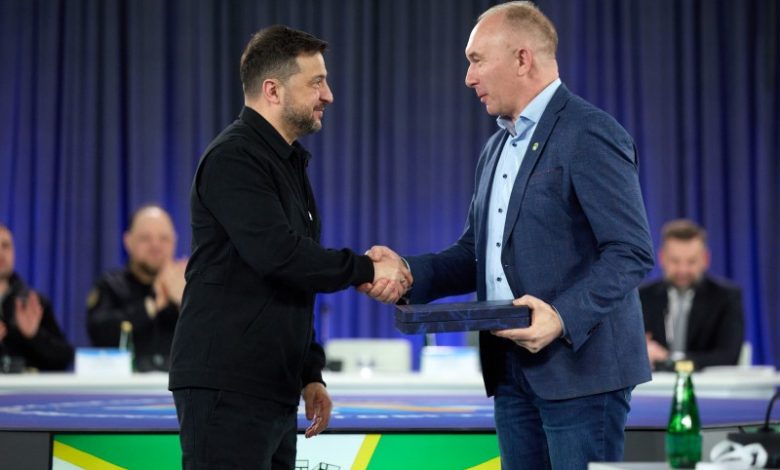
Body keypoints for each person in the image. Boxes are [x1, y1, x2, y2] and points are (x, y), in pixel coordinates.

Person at [361, 2, 654, 469]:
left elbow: (630, 251)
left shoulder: (589, 132)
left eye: (476, 60)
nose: (468, 78)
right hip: (510, 372)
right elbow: (476, 254)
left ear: (522, 59)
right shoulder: (496, 146)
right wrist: (409, 272)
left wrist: (561, 317)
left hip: (581, 374)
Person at [167, 25, 411, 470]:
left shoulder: (287, 161)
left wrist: (309, 373)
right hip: (228, 387)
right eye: (316, 82)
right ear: (272, 90)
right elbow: (279, 256)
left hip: (270, 387)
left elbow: (293, 280)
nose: (329, 95)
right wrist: (366, 269)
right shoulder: (233, 158)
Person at [86, 205, 186, 372]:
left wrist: (185, 303)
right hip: (125, 384)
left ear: (175, 241)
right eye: (145, 238)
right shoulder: (110, 285)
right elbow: (99, 333)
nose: (156, 245)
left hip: (180, 382)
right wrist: (152, 305)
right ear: (128, 241)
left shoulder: (191, 287)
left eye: (164, 238)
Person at [640, 219, 744, 370]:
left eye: (691, 262)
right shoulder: (642, 297)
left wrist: (670, 360)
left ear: (705, 259)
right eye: (675, 261)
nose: (683, 270)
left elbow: (729, 356)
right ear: (662, 258)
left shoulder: (726, 297)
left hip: (708, 384)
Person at [0, 224, 74, 372]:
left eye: (5, 246)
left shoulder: (32, 303)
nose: (0, 252)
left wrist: (35, 336)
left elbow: (63, 359)